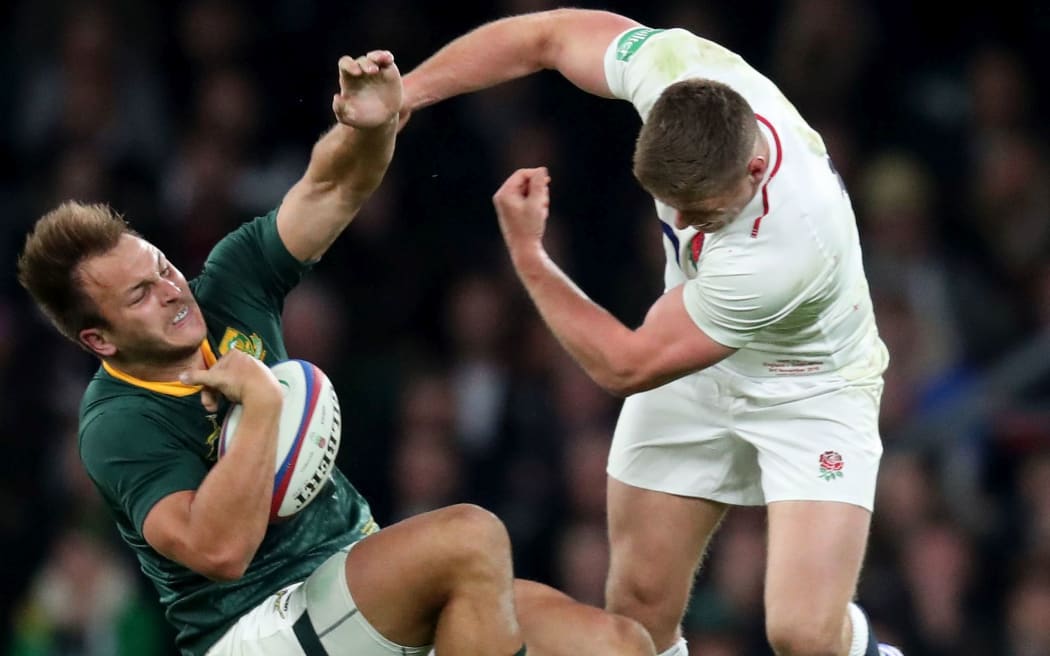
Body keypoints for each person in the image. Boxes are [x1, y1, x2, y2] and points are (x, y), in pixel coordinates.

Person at [17, 50, 655, 656]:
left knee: (616, 644)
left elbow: (330, 190)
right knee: (470, 537)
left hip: (352, 573)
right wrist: (263, 404)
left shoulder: (230, 285)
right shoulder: (116, 423)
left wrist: (370, 132)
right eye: (139, 296)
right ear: (99, 340)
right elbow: (219, 553)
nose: (170, 290)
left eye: (160, 266)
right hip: (256, 623)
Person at [401, 9, 903, 656]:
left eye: (704, 214)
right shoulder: (670, 68)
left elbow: (625, 367)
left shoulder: (786, 243)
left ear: (753, 172)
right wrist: (406, 94)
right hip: (699, 355)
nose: (686, 226)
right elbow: (543, 36)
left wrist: (529, 254)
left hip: (810, 387)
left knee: (802, 634)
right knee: (634, 616)